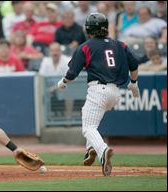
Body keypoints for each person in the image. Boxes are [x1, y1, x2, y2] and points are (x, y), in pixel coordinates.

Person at [57, 13, 141, 176]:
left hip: (98, 90)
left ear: (89, 29)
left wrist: (63, 83)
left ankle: (103, 150)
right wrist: (134, 83)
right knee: (89, 120)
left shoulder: (86, 46)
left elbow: (72, 72)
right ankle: (90, 149)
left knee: (88, 128)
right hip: (115, 93)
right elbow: (134, 64)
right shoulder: (120, 45)